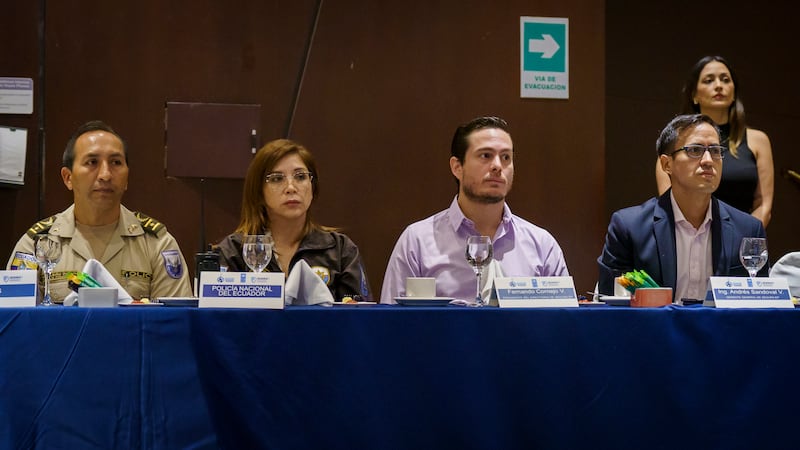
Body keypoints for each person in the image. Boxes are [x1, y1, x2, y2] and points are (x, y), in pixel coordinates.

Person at [380, 116, 569, 303]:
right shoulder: (417, 242)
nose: (497, 166)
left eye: (506, 157)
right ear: (457, 167)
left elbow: (563, 324)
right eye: (485, 155)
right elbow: (391, 324)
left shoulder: (542, 245)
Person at [7, 120, 193, 302]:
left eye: (116, 162)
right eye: (92, 162)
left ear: (127, 178)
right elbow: (17, 320)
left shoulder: (157, 244)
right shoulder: (36, 245)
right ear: (68, 177)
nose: (105, 174)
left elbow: (175, 323)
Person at [600, 114, 768, 302]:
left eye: (715, 151)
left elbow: (758, 307)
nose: (708, 160)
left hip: (723, 331)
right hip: (656, 330)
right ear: (667, 164)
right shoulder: (629, 227)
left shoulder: (748, 229)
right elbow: (612, 307)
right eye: (695, 150)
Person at [214, 138, 371, 301]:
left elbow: (359, 316)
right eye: (276, 178)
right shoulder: (234, 251)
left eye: (300, 176)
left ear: (312, 187)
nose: (291, 187)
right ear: (259, 192)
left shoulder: (340, 250)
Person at [655, 55, 774, 227]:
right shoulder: (675, 141)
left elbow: (763, 204)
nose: (719, 85)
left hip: (743, 241)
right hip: (689, 236)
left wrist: (745, 239)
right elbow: (669, 199)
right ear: (694, 95)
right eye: (709, 80)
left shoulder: (758, 140)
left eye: (725, 80)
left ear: (734, 93)